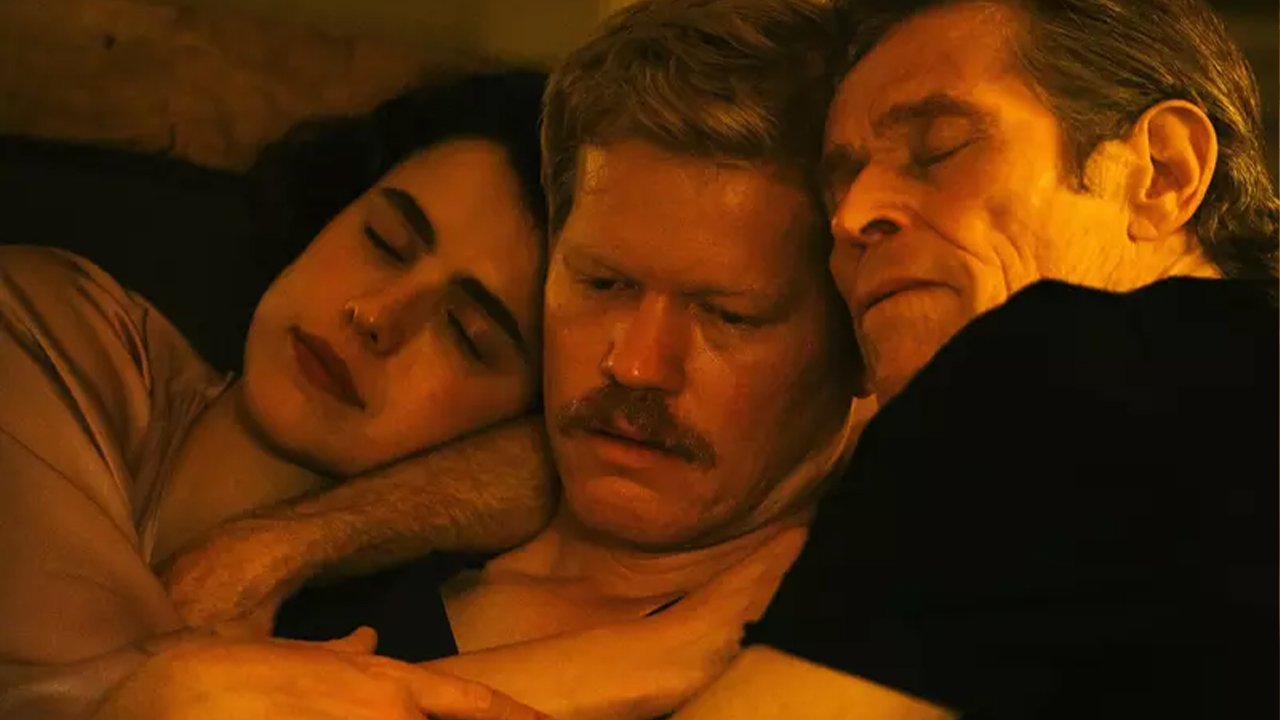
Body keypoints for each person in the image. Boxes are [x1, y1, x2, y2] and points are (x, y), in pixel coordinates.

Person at [675, 0, 1278, 718]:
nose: (851, 216)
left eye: (940, 150)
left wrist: (620, 663)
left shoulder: (1048, 369)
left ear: (1163, 172)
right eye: (838, 186)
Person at [266, 1, 866, 717]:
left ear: (859, 345)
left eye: (727, 316)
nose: (636, 366)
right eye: (603, 284)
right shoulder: (345, 556)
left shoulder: (852, 665)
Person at [0, 69, 557, 720]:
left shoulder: (374, 636)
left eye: (465, 333)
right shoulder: (49, 327)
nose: (376, 315)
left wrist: (292, 543)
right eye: (384, 240)